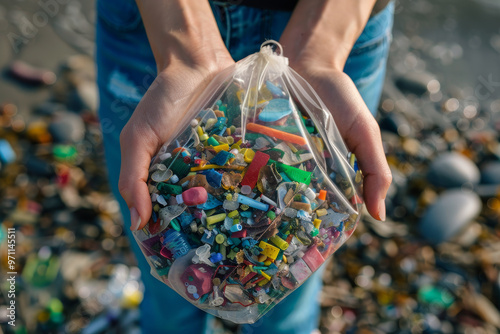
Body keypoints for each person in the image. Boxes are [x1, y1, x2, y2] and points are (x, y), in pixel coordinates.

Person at [95, 0, 394, 333]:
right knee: (169, 295)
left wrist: (320, 47)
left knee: (287, 296)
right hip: (156, 25)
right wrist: (190, 51)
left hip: (341, 29)